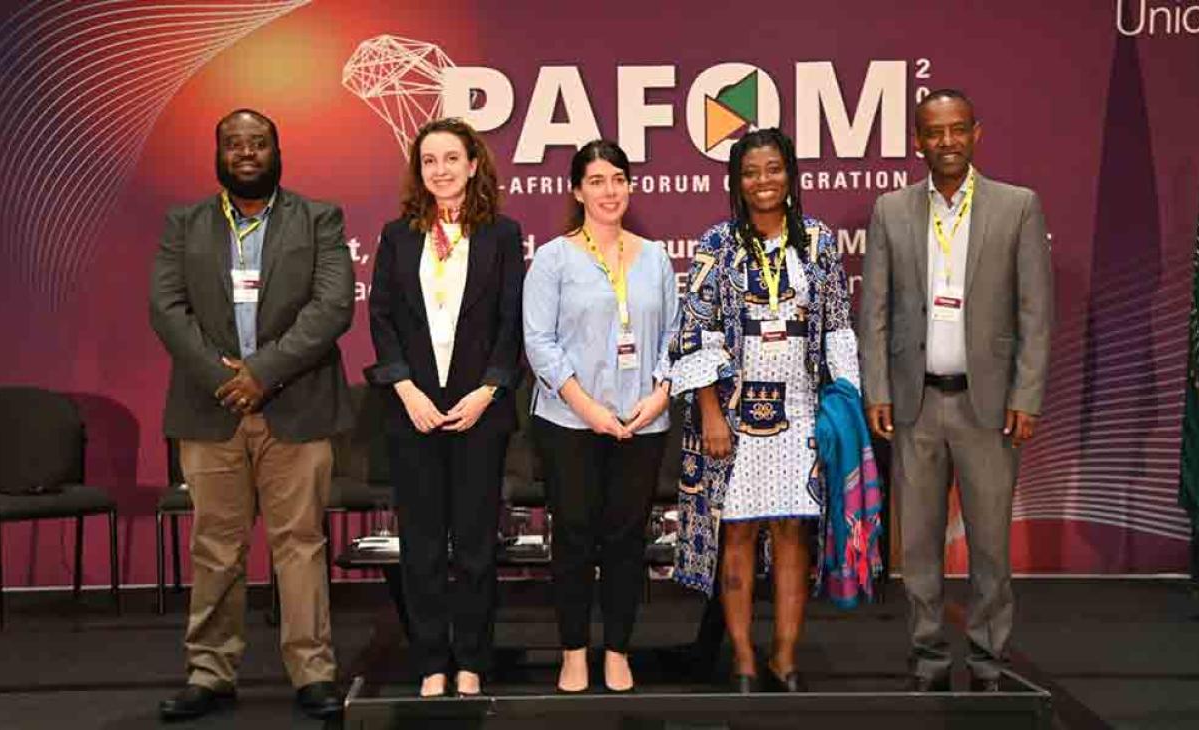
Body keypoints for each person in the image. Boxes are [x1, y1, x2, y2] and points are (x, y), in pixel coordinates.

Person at [149, 109, 353, 721]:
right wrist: (226, 380)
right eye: (234, 143)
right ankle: (209, 673)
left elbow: (332, 306)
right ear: (218, 153)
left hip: (297, 405)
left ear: (276, 150)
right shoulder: (184, 223)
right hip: (210, 410)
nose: (245, 152)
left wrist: (262, 372)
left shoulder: (318, 218)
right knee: (215, 547)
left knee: (300, 545)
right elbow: (166, 308)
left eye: (257, 143)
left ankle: (313, 673)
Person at [859, 89, 1053, 693]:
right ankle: (929, 659)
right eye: (934, 132)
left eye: (958, 129)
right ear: (917, 140)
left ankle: (990, 661)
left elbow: (1035, 311)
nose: (947, 141)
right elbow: (875, 312)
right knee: (918, 549)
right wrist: (877, 389)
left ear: (976, 133)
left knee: (990, 548)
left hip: (988, 407)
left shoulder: (1017, 206)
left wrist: (1026, 396)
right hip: (914, 405)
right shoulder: (891, 210)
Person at [668, 128, 860, 693]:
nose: (763, 181)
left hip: (801, 409)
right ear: (736, 182)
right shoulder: (717, 244)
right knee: (738, 532)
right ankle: (745, 660)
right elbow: (694, 334)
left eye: (773, 169)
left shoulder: (818, 242)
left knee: (794, 531)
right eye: (750, 172)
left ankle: (785, 658)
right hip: (732, 414)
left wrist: (844, 406)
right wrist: (709, 411)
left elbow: (838, 330)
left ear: (790, 175)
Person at [366, 117, 524, 698]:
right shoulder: (397, 236)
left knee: (477, 547)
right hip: (414, 412)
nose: (441, 170)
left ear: (474, 165)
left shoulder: (502, 235)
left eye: (451, 158)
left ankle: (473, 660)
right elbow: (381, 317)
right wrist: (405, 390)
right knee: (423, 547)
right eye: (429, 160)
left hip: (480, 411)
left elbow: (511, 322)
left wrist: (489, 391)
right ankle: (432, 660)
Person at [523, 140, 677, 693]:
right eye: (596, 181)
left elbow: (675, 337)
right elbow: (539, 342)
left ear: (629, 186)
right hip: (569, 422)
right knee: (573, 537)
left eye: (617, 179)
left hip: (641, 422)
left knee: (626, 539)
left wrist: (660, 396)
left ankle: (617, 649)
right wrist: (587, 409)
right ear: (577, 191)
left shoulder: (655, 258)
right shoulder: (554, 258)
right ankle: (572, 651)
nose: (609, 191)